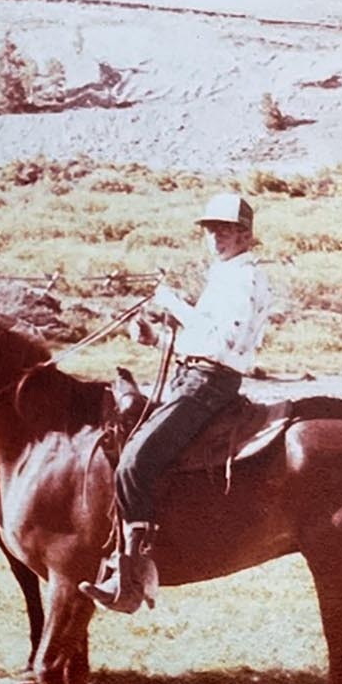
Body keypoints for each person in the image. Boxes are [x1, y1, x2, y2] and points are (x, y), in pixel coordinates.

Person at [79, 192, 276, 613]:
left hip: (209, 384)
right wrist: (157, 337)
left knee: (136, 460)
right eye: (211, 230)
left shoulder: (245, 278)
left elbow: (223, 343)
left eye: (226, 230)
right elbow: (202, 342)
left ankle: (132, 576)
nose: (216, 238)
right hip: (196, 376)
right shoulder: (224, 275)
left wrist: (174, 306)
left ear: (245, 235)